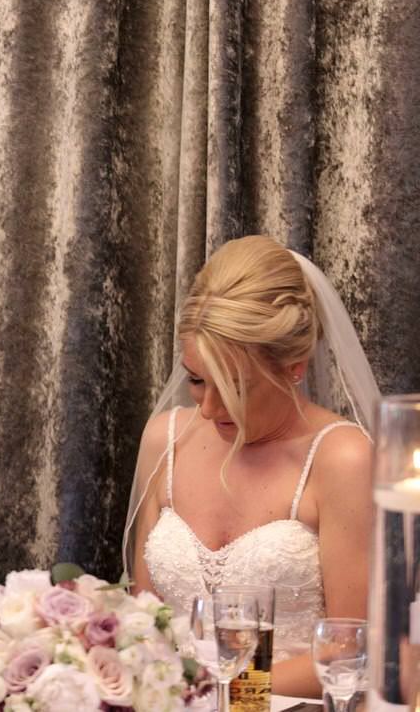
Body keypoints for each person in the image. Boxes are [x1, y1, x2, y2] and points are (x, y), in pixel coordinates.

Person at [125, 235, 377, 697]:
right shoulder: (166, 437)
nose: (208, 408)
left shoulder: (342, 458)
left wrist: (223, 694)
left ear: (293, 368)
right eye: (198, 381)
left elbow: (350, 651)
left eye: (234, 386)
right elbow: (143, 617)